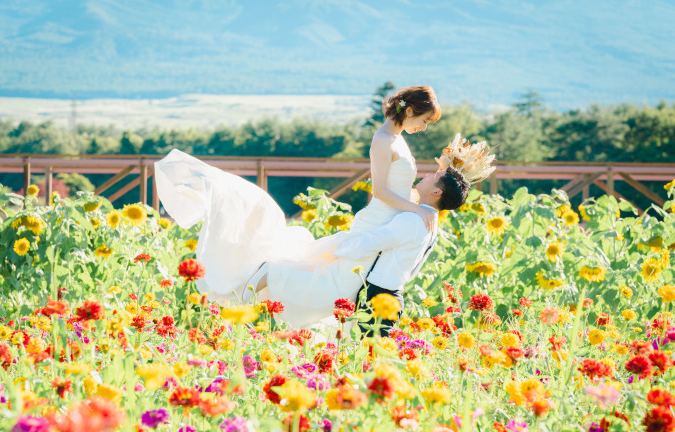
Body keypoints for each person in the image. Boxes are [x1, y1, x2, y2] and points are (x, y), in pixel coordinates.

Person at [154, 86, 442, 327]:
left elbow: (399, 188)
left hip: (389, 220)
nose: (424, 128)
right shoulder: (382, 140)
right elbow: (379, 191)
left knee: (340, 281)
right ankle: (266, 277)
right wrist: (416, 209)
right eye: (425, 120)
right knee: (336, 285)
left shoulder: (398, 139)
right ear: (409, 111)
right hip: (379, 218)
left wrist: (423, 198)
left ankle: (271, 280)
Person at [334, 166, 471, 337]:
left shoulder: (413, 220)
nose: (426, 175)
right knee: (371, 356)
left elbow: (370, 243)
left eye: (433, 176)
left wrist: (335, 248)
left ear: (436, 192)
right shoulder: (429, 221)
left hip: (379, 296)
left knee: (370, 357)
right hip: (389, 294)